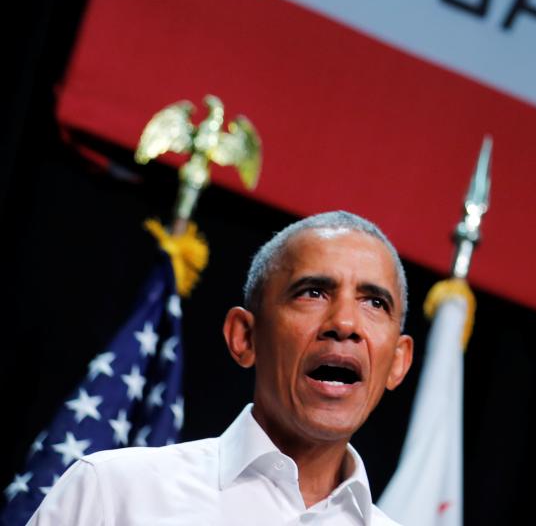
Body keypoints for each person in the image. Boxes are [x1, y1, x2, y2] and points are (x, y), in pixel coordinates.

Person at [28, 211, 415, 525]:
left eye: (375, 303)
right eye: (312, 292)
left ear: (398, 362)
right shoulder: (112, 492)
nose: (344, 323)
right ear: (244, 337)